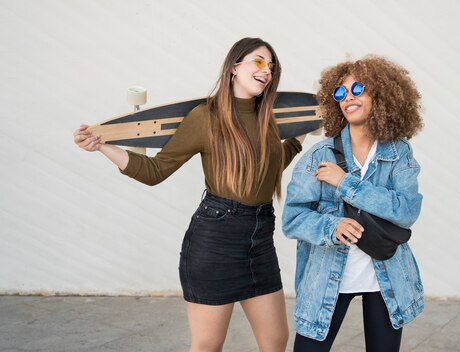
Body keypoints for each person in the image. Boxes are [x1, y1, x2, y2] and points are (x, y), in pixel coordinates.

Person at [73, 37, 304, 352]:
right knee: (208, 344)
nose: (267, 70)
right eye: (259, 61)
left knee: (276, 340)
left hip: (259, 240)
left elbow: (266, 167)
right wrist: (101, 145)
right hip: (215, 241)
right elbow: (156, 172)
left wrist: (298, 138)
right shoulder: (205, 117)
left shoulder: (268, 119)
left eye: (272, 66)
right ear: (235, 67)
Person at [282, 56, 424, 352]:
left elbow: (407, 210)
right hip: (326, 275)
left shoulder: (399, 152)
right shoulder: (318, 155)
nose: (348, 97)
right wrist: (331, 227)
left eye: (357, 89)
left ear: (381, 96)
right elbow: (292, 218)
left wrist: (345, 183)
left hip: (385, 276)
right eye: (340, 93)